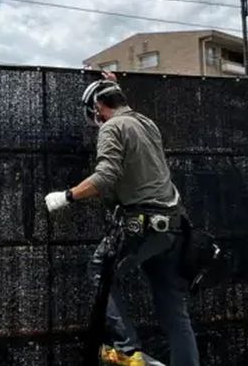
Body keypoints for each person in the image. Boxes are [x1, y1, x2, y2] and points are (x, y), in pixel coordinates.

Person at [45, 72, 199, 366]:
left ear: (99, 106)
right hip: (174, 228)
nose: (95, 118)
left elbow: (106, 176)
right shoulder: (146, 123)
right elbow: (127, 123)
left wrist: (66, 196)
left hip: (142, 225)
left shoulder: (112, 128)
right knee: (175, 315)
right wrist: (113, 86)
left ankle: (128, 350)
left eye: (95, 111)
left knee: (100, 269)